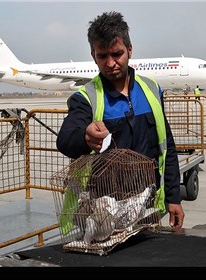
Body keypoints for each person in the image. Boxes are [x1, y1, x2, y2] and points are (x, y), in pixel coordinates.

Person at [56, 11, 184, 230]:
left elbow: (167, 146)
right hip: (105, 210)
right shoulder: (86, 98)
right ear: (93, 55)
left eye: (117, 54)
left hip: (149, 205)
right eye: (102, 56)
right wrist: (85, 137)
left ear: (130, 50)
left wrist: (174, 197)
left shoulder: (152, 90)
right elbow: (65, 140)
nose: (111, 63)